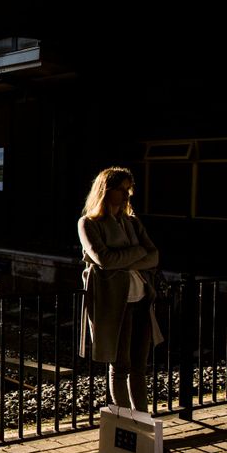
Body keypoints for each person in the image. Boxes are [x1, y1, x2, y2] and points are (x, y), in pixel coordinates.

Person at [77, 166, 163, 412]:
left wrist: (122, 260)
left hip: (141, 299)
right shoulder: (88, 223)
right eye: (121, 189)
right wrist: (137, 254)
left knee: (139, 366)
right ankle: (126, 422)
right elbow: (104, 260)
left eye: (129, 189)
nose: (127, 195)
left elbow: (154, 256)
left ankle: (143, 422)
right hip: (114, 301)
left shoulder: (132, 222)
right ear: (106, 190)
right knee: (120, 365)